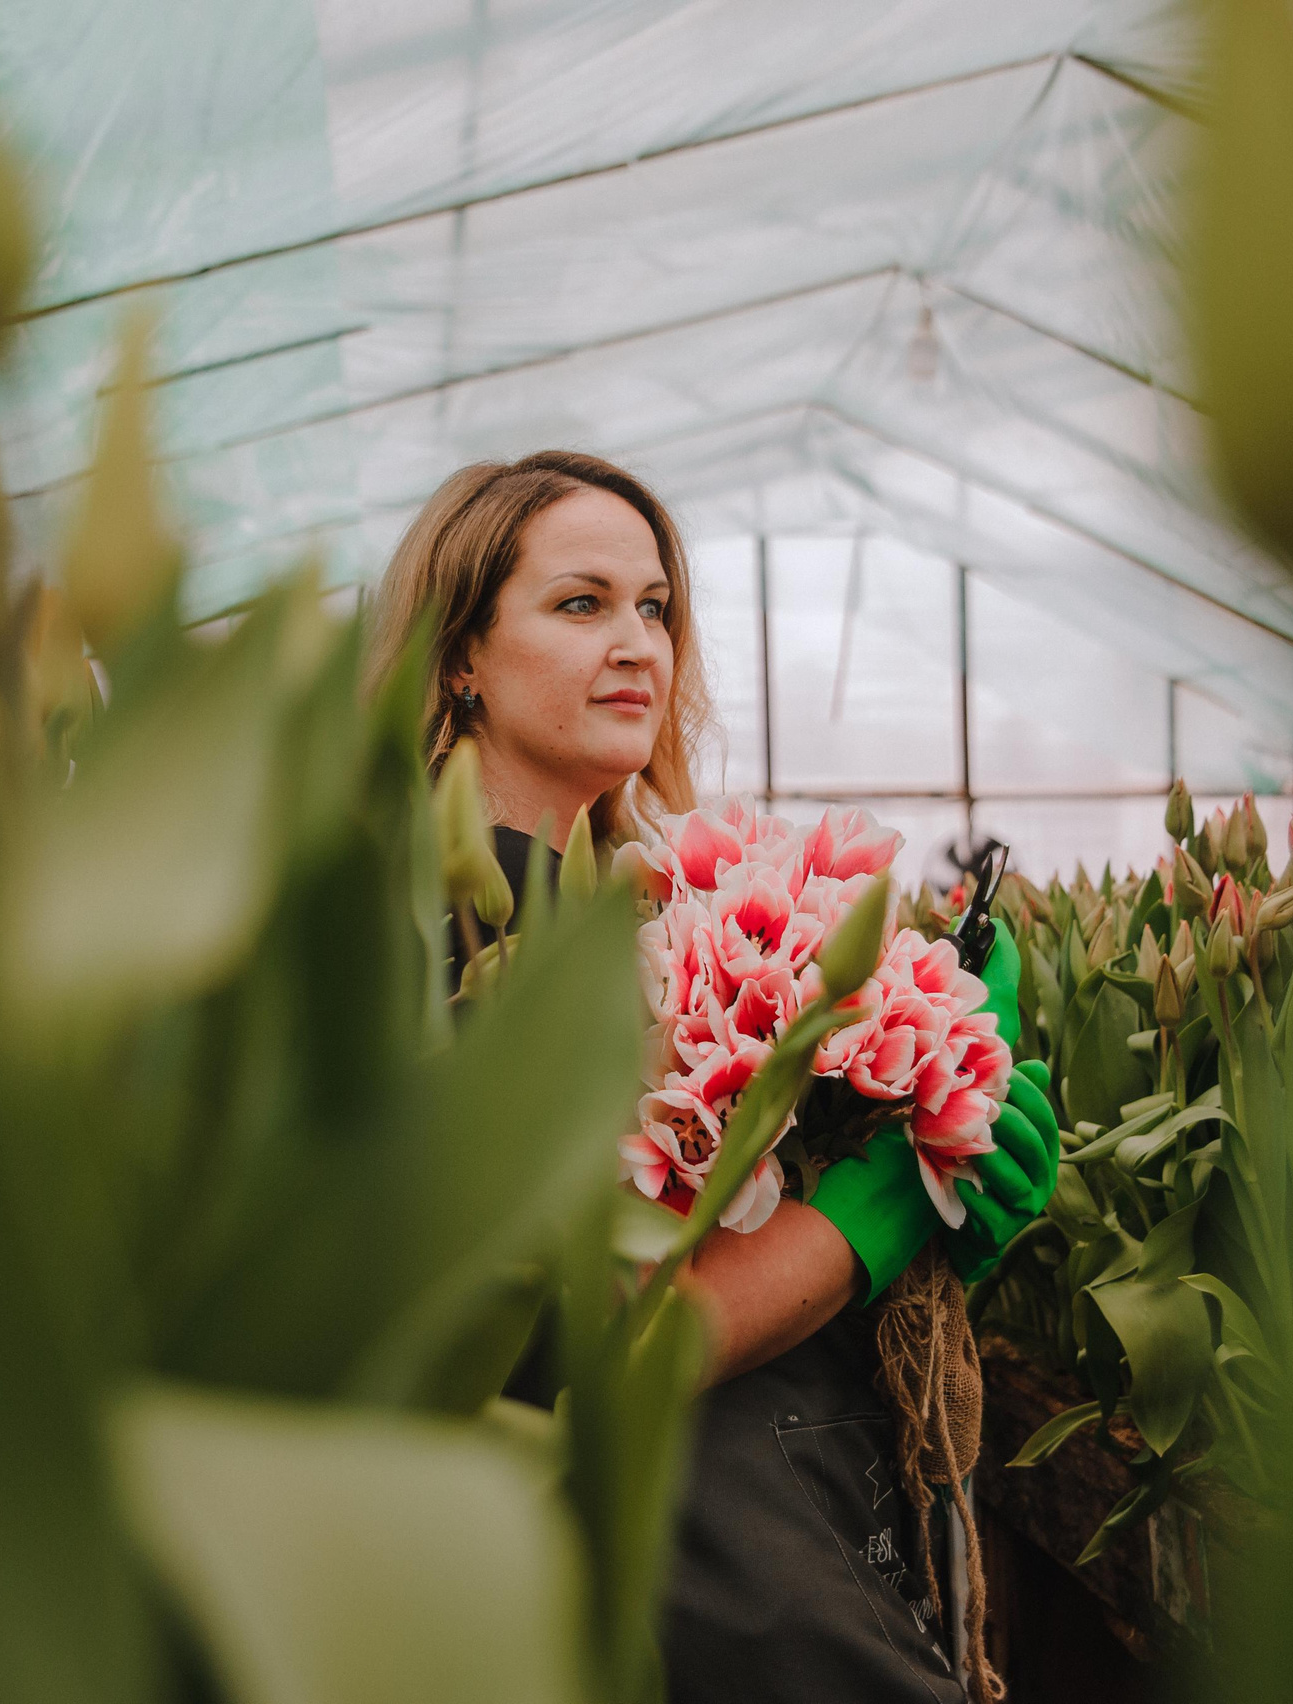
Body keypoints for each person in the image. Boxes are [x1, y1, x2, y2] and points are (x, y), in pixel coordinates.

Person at [364, 450, 1061, 1702]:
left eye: (655, 608)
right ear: (458, 654)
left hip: (796, 1529)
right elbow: (618, 1340)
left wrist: (928, 1120)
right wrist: (898, 1196)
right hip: (676, 1590)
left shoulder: (670, 910)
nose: (636, 641)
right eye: (580, 604)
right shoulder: (426, 936)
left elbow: (741, 1235)